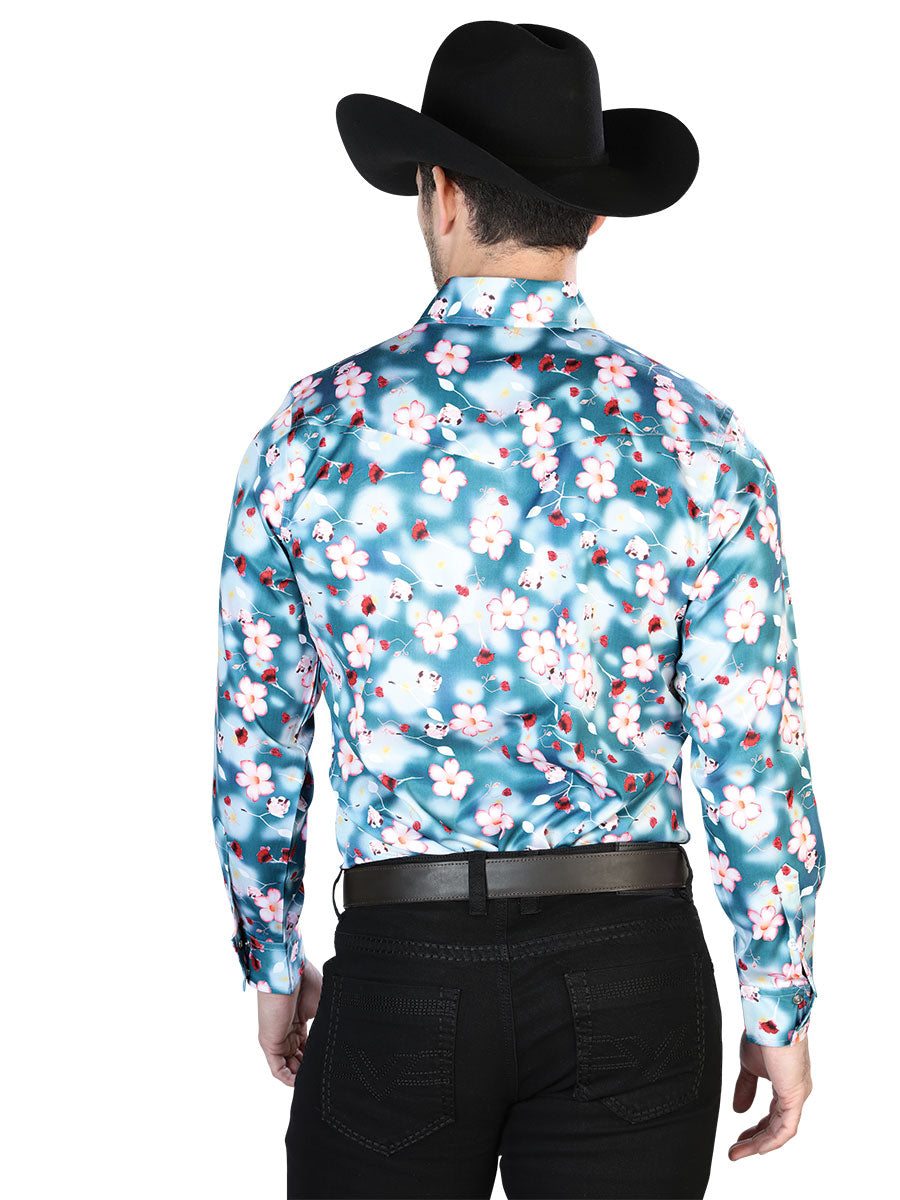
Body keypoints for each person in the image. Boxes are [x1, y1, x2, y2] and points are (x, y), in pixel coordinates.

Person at [211, 20, 825, 1199]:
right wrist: (779, 1000)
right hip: (632, 970)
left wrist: (273, 962)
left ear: (440, 192)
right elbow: (756, 749)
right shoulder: (698, 440)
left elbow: (260, 731)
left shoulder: (311, 432)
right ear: (593, 217)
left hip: (404, 966)